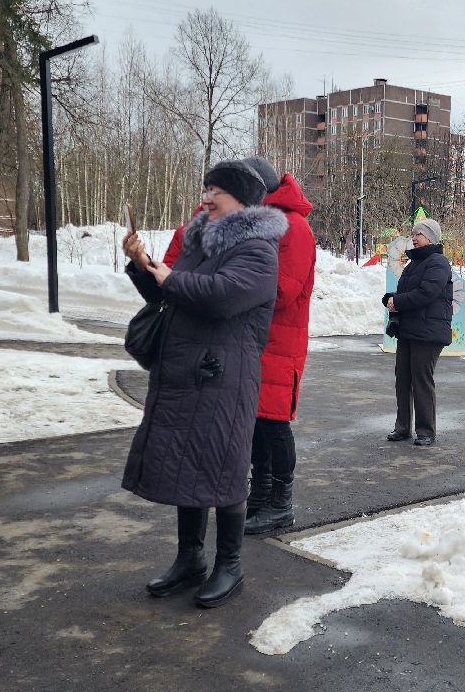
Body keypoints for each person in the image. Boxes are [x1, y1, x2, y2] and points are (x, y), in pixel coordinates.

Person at [121, 159, 288, 608]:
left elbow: (221, 296)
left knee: (223, 467)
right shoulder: (202, 240)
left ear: (242, 200)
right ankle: (189, 559)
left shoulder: (259, 249)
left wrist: (171, 276)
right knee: (187, 464)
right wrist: (143, 265)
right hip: (183, 372)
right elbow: (168, 292)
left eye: (217, 190)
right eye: (206, 188)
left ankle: (229, 565)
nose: (206, 197)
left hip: (223, 376)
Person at [240, 159, 318, 536]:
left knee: (274, 425)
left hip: (281, 341)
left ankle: (280, 504)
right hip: (258, 341)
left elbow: (284, 290)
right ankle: (261, 496)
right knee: (257, 424)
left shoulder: (295, 227)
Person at [383, 218, 453, 447]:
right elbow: (406, 291)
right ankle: (402, 427)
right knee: (402, 380)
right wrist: (391, 299)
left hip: (429, 332)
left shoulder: (439, 263)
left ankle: (425, 431)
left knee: (421, 380)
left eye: (419, 234)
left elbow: (427, 293)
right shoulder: (413, 264)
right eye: (413, 234)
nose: (414, 237)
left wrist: (398, 302)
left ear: (431, 238)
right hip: (409, 330)